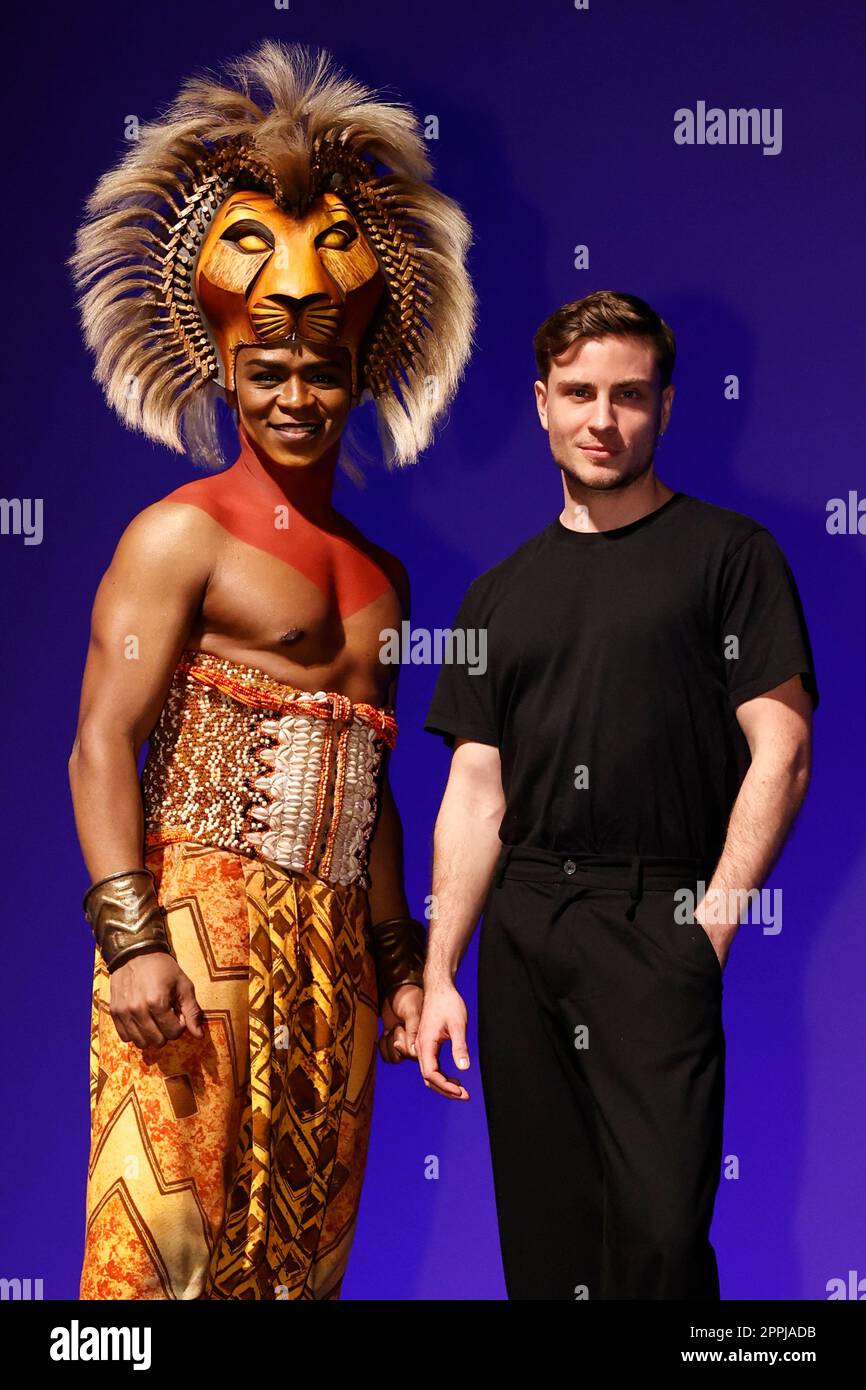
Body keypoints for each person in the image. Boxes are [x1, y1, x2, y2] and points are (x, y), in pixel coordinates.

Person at [67, 40, 475, 1301]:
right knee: (157, 1261)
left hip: (334, 960)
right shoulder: (178, 533)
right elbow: (98, 746)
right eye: (270, 368)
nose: (298, 389)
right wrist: (133, 939)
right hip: (196, 925)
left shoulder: (383, 577)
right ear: (224, 370)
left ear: (362, 373)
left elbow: (374, 793)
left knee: (298, 1265)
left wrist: (401, 970)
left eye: (322, 366)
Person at [418, 289, 818, 1300]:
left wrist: (707, 928)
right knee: (550, 1250)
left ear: (665, 408)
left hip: (654, 916)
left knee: (659, 1245)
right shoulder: (496, 593)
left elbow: (782, 749)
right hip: (521, 928)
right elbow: (474, 790)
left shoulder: (730, 557)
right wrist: (439, 970)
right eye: (580, 394)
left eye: (628, 395)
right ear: (542, 404)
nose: (602, 419)